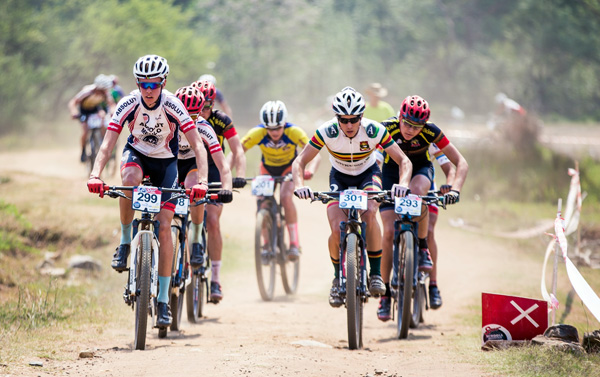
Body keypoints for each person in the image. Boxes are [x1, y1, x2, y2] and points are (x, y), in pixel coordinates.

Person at [86, 54, 210, 328]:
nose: (149, 90)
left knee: (164, 227)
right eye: (144, 84)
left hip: (167, 162)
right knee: (128, 177)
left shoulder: (174, 105)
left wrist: (201, 180)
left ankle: (164, 300)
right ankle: (125, 241)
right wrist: (95, 174)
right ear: (137, 84)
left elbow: (198, 146)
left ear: (163, 83)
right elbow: (107, 144)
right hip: (137, 154)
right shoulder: (128, 103)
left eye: (154, 84)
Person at [292, 86, 412, 308]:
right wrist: (299, 185)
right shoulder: (326, 132)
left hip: (368, 175)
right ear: (336, 117)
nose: (348, 125)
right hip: (339, 178)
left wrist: (403, 185)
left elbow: (404, 160)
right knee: (337, 226)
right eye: (343, 119)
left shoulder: (374, 131)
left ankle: (375, 274)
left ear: (361, 116)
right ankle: (338, 278)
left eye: (353, 119)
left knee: (369, 213)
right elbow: (299, 162)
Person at [376, 95, 469, 322]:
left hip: (420, 170)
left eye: (416, 127)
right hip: (390, 173)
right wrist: (375, 185)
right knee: (388, 233)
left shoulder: (431, 132)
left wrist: (455, 189)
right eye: (406, 124)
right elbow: (375, 161)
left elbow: (460, 163)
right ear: (399, 117)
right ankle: (386, 294)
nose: (410, 130)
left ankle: (422, 246)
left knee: (418, 195)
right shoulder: (386, 128)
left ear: (424, 125)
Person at [240, 100, 321, 261]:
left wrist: (309, 170)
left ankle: (293, 243)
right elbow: (237, 151)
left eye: (278, 127)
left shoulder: (294, 132)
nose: (274, 132)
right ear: (264, 127)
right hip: (267, 169)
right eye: (270, 129)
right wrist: (233, 173)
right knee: (261, 203)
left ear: (284, 123)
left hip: (289, 168)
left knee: (285, 197)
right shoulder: (257, 133)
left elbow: (316, 154)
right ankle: (266, 244)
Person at [174, 85, 233, 303]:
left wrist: (226, 187)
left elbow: (223, 164)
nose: (188, 119)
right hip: (172, 165)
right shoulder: (165, 122)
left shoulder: (205, 126)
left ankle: (214, 276)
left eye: (194, 114)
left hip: (201, 168)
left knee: (213, 220)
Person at [191, 78, 246, 301]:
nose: (202, 111)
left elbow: (238, 150)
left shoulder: (221, 120)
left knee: (212, 220)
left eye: (206, 107)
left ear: (212, 104)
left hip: (214, 171)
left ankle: (215, 279)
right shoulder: (187, 115)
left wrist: (239, 175)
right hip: (190, 168)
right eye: (199, 106)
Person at [68, 74, 116, 162]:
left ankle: (102, 142)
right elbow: (73, 102)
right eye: (102, 90)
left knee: (103, 122)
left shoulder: (105, 93)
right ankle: (83, 151)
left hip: (95, 109)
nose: (104, 92)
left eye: (105, 90)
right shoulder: (87, 91)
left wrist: (113, 112)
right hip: (84, 111)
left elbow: (112, 104)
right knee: (85, 131)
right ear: (98, 88)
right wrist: (74, 112)